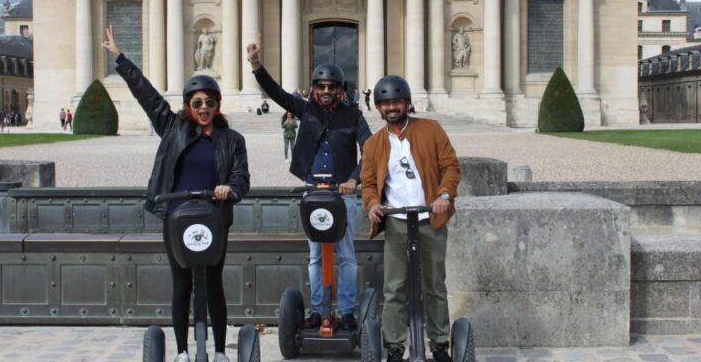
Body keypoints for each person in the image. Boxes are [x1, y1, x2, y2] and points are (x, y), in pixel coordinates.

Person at [103, 26, 249, 362]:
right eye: (197, 103)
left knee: (213, 284)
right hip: (176, 217)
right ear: (188, 105)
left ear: (217, 105)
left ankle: (219, 351)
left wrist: (231, 189)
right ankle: (183, 351)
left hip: (214, 217)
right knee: (181, 283)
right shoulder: (173, 128)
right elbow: (148, 95)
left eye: (209, 102)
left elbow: (242, 177)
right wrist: (120, 59)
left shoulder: (232, 140)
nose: (203, 107)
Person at [247, 37, 371, 332]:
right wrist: (255, 63)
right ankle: (317, 310)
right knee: (316, 255)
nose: (326, 91)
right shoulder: (306, 110)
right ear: (314, 89)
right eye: (321, 87)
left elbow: (371, 149)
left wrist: (354, 179)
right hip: (314, 191)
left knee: (347, 254)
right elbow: (276, 93)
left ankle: (348, 310)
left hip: (343, 193)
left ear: (341, 90)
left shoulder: (353, 115)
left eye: (332, 87)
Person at [360, 75, 461, 362]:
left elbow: (451, 167)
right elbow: (367, 183)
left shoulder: (431, 130)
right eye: (385, 103)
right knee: (394, 287)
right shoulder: (373, 144)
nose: (391, 107)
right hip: (396, 221)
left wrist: (444, 195)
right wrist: (372, 204)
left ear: (407, 103)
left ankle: (440, 343)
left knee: (435, 285)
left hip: (430, 217)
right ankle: (394, 346)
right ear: (378, 108)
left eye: (396, 102)